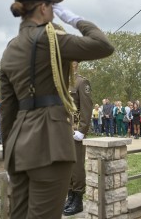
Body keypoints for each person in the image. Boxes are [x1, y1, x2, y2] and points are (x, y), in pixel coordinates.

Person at [0, 0, 114, 219]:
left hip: (18, 147)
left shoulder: (10, 48)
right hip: (50, 144)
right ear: (43, 8)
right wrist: (75, 20)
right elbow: (104, 45)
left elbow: (7, 110)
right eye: (53, 8)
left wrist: (7, 153)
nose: (55, 13)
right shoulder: (52, 40)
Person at [64, 61, 93, 216]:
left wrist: (82, 130)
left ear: (75, 63)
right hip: (63, 130)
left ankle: (78, 199)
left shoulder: (82, 82)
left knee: (76, 166)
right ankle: (70, 197)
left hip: (75, 131)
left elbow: (87, 107)